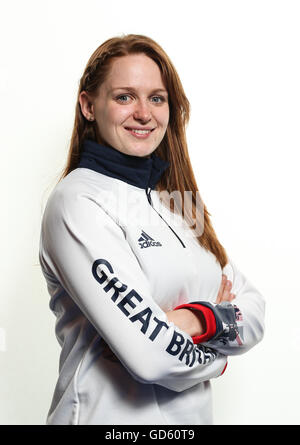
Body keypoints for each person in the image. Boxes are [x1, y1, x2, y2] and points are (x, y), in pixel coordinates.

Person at [39, 34, 265, 425]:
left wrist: (195, 319)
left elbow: (256, 311)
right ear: (89, 106)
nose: (144, 113)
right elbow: (152, 357)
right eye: (125, 96)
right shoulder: (77, 203)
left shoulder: (177, 201)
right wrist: (221, 354)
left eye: (156, 98)